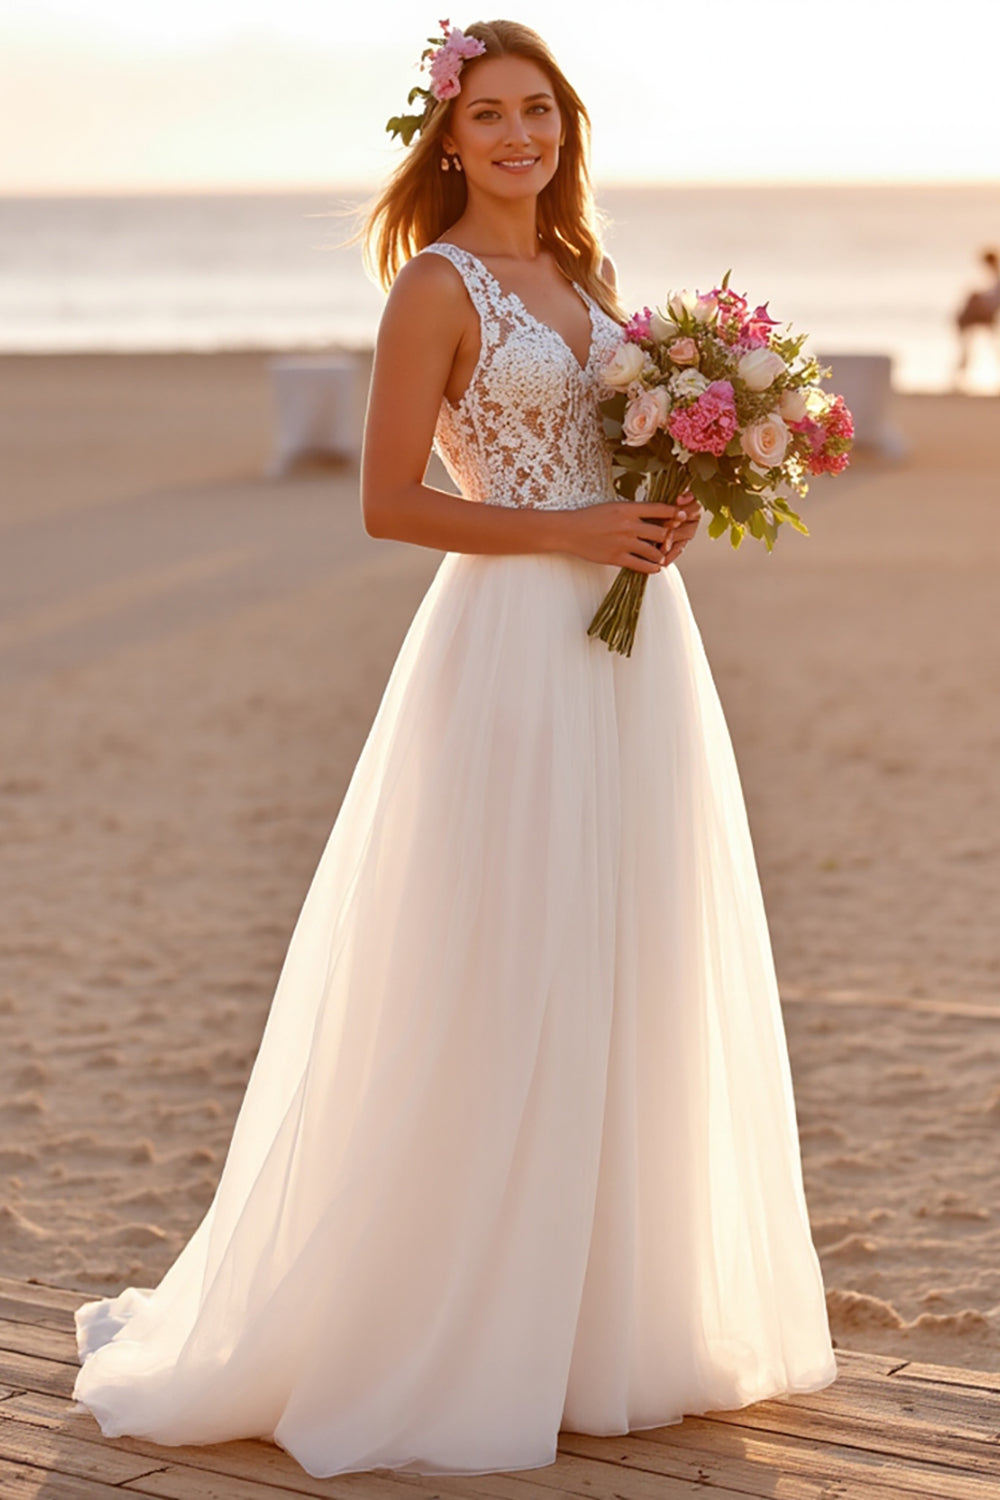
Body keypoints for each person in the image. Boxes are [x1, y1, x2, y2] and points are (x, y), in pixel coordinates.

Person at [71, 18, 837, 1480]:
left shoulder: (591, 275)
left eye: (537, 111)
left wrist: (661, 511)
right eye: (487, 115)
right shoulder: (437, 285)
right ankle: (461, 1322)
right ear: (445, 137)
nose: (517, 138)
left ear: (567, 126)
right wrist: (563, 530)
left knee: (627, 954)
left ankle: (602, 1324)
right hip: (506, 654)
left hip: (636, 654)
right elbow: (387, 502)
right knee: (504, 957)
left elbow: (618, 457)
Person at [954, 247, 1000, 387]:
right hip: (982, 315)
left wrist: (976, 297)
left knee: (972, 345)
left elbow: (993, 301)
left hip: (983, 315)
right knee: (969, 345)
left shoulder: (996, 277)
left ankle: (960, 376)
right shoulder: (992, 277)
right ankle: (960, 376)